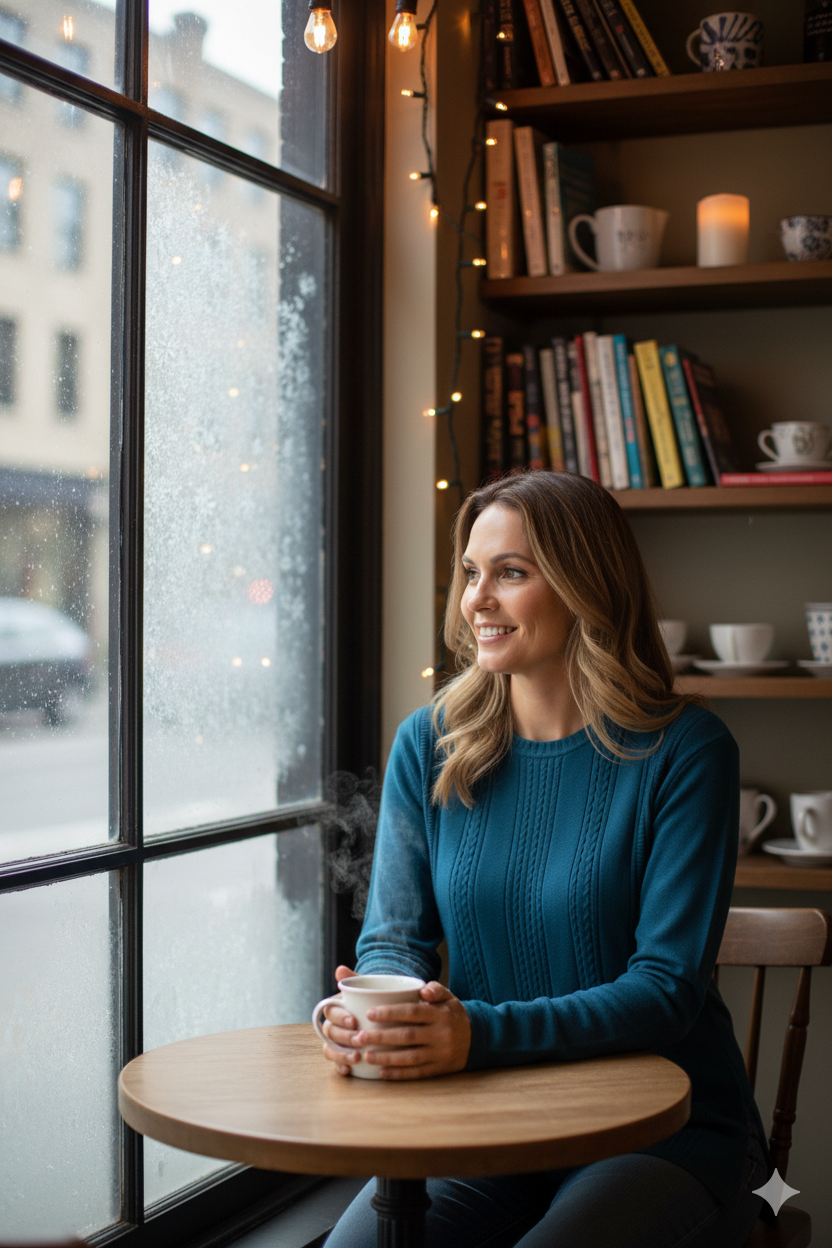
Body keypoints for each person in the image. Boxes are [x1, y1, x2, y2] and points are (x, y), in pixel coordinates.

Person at [322, 471, 771, 1248]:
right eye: (471, 573)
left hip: (662, 1129)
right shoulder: (427, 745)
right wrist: (377, 1013)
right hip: (488, 1113)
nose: (476, 600)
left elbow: (665, 991)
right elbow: (394, 939)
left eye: (511, 573)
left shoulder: (686, 753)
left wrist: (476, 1036)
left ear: (584, 586)